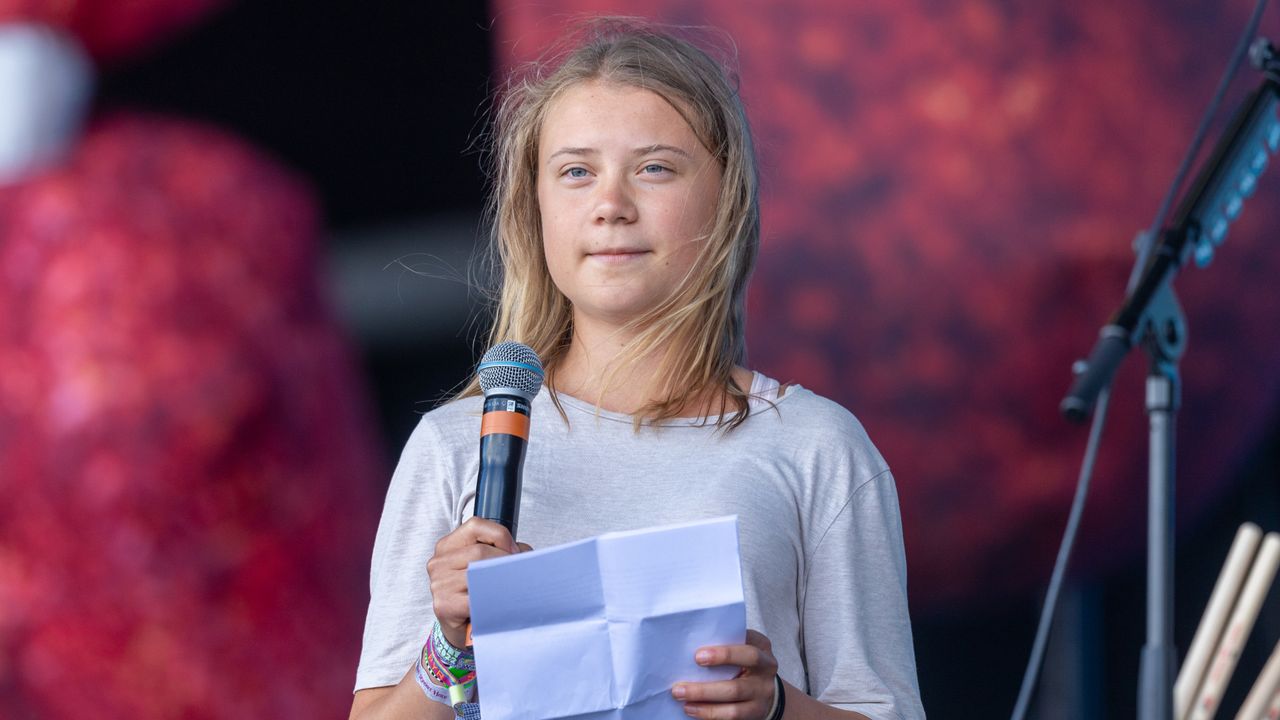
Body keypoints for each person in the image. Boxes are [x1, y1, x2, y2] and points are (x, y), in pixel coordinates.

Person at [349, 18, 925, 720]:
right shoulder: (452, 445)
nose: (611, 207)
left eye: (654, 168)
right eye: (575, 172)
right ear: (536, 211)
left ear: (726, 200)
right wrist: (448, 648)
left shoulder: (817, 447)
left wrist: (775, 707)